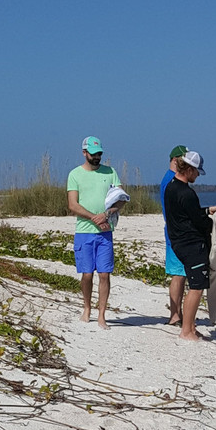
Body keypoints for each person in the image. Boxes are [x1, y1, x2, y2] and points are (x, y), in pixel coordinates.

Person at [163, 150, 216, 341]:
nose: (197, 175)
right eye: (196, 171)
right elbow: (197, 221)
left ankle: (190, 326)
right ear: (188, 169)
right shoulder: (187, 193)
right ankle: (186, 330)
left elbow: (188, 213)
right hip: (192, 246)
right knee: (196, 287)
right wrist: (214, 224)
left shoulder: (171, 187)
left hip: (179, 243)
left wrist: (206, 210)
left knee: (194, 285)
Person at [67, 136, 125, 329]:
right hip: (84, 232)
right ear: (84, 153)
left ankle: (102, 315)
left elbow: (121, 199)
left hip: (105, 232)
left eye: (99, 153)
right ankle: (86, 307)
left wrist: (106, 214)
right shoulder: (75, 174)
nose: (97, 157)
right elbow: (73, 204)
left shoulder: (110, 172)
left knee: (104, 274)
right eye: (93, 154)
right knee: (86, 275)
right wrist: (94, 217)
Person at [160, 145, 188, 325]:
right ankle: (174, 315)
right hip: (175, 232)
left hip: (176, 231)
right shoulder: (171, 180)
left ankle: (177, 313)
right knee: (178, 274)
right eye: (183, 160)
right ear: (175, 159)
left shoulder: (172, 179)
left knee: (181, 274)